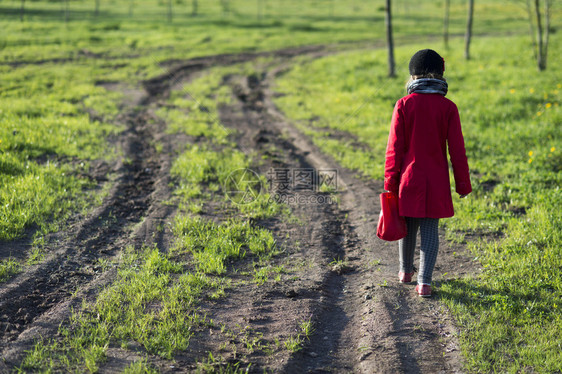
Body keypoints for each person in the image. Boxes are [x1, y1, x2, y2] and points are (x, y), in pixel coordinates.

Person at [384, 49, 472, 298]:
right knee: (431, 230)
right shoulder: (448, 108)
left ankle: (404, 272)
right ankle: (425, 282)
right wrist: (463, 185)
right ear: (440, 75)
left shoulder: (403, 104)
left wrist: (390, 183)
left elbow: (394, 150)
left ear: (413, 76)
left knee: (408, 226)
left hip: (408, 180)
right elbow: (457, 151)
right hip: (436, 182)